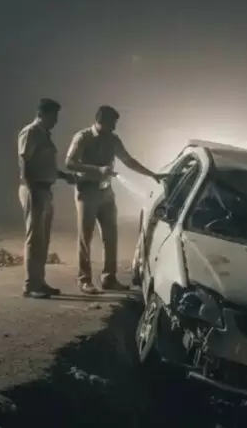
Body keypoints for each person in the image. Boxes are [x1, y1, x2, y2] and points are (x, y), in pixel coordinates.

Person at [65, 105, 162, 293]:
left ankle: (109, 278)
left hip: (106, 192)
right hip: (87, 191)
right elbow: (69, 163)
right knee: (85, 237)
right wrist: (97, 169)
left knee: (111, 236)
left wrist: (152, 174)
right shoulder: (83, 137)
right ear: (100, 121)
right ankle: (84, 279)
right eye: (112, 123)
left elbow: (128, 160)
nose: (115, 127)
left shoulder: (113, 139)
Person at [18, 98, 77, 299]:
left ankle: (40, 281)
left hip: (44, 189)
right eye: (53, 116)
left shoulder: (44, 134)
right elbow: (25, 161)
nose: (55, 121)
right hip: (34, 189)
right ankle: (30, 284)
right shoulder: (31, 132)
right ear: (41, 114)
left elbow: (45, 165)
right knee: (34, 239)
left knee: (42, 239)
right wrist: (31, 188)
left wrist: (64, 176)